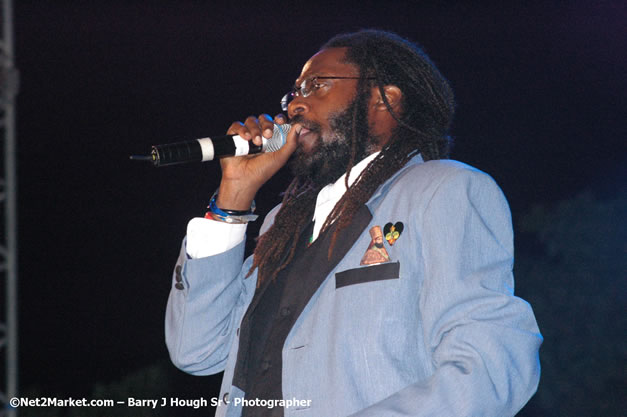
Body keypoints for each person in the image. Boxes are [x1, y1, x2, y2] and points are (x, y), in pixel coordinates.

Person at [165, 30, 542, 417]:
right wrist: (233, 196)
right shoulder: (283, 223)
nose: (294, 105)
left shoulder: (442, 189)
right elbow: (196, 351)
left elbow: (491, 367)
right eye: (293, 92)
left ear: (383, 99)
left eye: (315, 86)